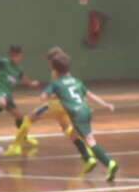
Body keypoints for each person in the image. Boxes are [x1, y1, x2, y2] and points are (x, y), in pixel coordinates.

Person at [5, 47, 97, 173]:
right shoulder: (66, 71)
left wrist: (47, 96)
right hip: (65, 106)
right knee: (68, 130)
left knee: (28, 118)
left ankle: (15, 146)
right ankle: (88, 152)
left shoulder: (55, 72)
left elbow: (57, 91)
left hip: (54, 105)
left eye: (49, 60)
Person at [42, 53, 119, 182]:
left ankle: (110, 163)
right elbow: (90, 95)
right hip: (86, 110)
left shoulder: (56, 84)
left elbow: (43, 97)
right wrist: (105, 104)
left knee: (90, 141)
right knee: (72, 134)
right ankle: (88, 159)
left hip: (77, 114)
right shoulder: (77, 81)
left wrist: (55, 96)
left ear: (54, 69)